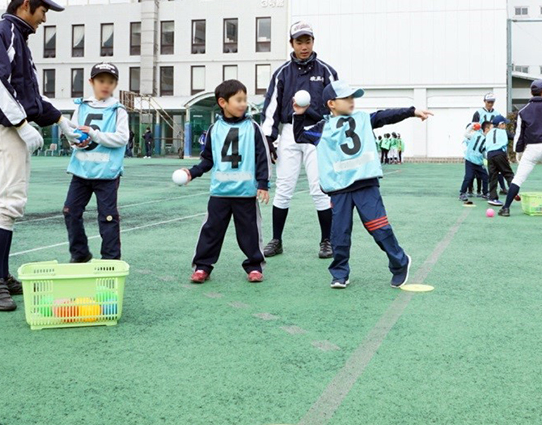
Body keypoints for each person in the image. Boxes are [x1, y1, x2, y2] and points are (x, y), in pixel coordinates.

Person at [0, 0, 81, 311]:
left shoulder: (17, 38)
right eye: (43, 10)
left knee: (13, 202)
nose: (45, 17)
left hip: (9, 128)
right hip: (1, 128)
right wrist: (19, 122)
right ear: (26, 5)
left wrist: (59, 120)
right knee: (8, 203)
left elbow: (29, 92)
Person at [293, 80, 433, 288]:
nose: (351, 101)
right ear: (331, 103)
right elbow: (300, 136)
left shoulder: (363, 119)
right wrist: (298, 113)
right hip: (339, 189)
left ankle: (400, 262)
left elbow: (386, 116)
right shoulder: (322, 128)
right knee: (339, 234)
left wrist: (412, 111)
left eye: (352, 97)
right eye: (346, 98)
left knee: (379, 229)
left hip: (365, 184)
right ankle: (340, 273)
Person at [261, 21, 338, 259]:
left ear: (313, 42)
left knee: (320, 188)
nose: (304, 46)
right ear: (291, 44)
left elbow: (337, 105)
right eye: (299, 42)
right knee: (284, 187)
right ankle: (276, 240)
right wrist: (269, 141)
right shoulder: (282, 73)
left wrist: (335, 136)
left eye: (308, 41)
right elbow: (271, 108)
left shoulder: (326, 71)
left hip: (318, 132)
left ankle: (327, 240)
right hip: (288, 132)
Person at [180, 79, 269, 283]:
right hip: (220, 192)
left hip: (245, 193)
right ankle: (203, 266)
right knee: (211, 231)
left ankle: (254, 266)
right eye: (238, 100)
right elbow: (208, 159)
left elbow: (262, 157)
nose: (243, 104)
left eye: (245, 100)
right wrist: (192, 173)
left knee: (250, 232)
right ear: (223, 102)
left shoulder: (253, 128)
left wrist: (263, 184)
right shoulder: (214, 129)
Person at [63, 63, 128, 262]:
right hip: (81, 171)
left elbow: (122, 138)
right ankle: (80, 254)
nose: (105, 85)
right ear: (91, 82)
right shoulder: (81, 106)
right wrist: (76, 141)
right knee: (70, 211)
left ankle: (110, 260)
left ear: (115, 84)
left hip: (107, 174)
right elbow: (72, 133)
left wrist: (95, 135)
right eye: (101, 81)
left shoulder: (118, 110)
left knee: (107, 217)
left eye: (110, 81)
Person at [499, 80, 542, 216]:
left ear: (531, 92)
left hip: (532, 149)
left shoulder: (523, 111)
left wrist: (518, 152)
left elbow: (518, 136)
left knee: (518, 179)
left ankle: (506, 208)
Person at [471, 93, 507, 196]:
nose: (490, 104)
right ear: (484, 101)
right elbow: (474, 127)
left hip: (493, 143)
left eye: (492, 102)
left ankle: (502, 188)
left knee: (497, 165)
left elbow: (500, 128)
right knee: (479, 164)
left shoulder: (497, 113)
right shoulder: (478, 113)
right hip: (482, 142)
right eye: (488, 102)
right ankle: (476, 189)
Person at [485, 115, 515, 207]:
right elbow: (514, 137)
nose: (505, 125)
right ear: (500, 124)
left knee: (493, 176)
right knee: (508, 173)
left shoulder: (489, 133)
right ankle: (514, 191)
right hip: (499, 154)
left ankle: (493, 198)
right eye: (504, 124)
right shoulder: (503, 132)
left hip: (490, 155)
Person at [458, 122, 490, 201]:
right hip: (470, 160)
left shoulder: (488, 140)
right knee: (469, 177)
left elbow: (484, 152)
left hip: (479, 163)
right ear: (486, 129)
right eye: (491, 128)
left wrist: (489, 159)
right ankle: (462, 193)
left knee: (485, 177)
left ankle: (485, 193)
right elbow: (466, 134)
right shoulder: (476, 134)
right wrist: (472, 126)